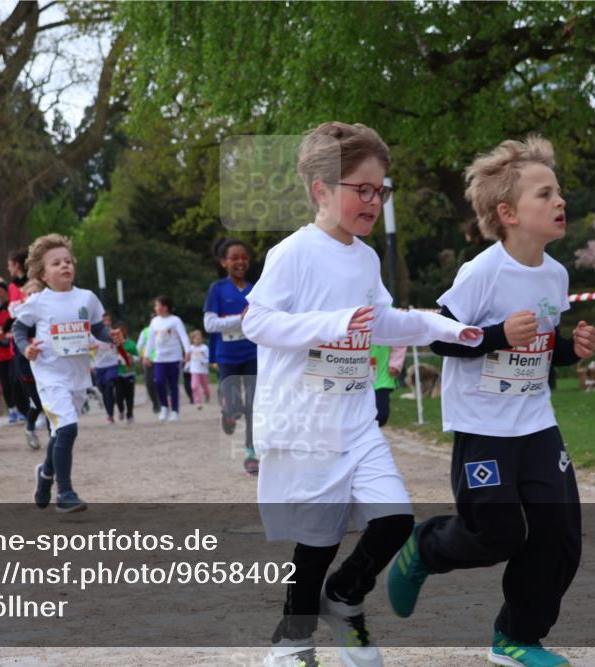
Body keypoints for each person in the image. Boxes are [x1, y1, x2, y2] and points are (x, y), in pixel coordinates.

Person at [241, 121, 482, 667]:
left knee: (395, 519)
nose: (374, 201)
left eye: (381, 190)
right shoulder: (294, 252)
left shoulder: (367, 258)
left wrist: (446, 329)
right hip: (305, 423)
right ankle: (293, 642)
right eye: (362, 189)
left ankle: (345, 599)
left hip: (355, 421)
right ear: (321, 189)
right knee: (318, 541)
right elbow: (256, 321)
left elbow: (382, 322)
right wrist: (332, 322)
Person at [385, 136, 595, 667]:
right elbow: (436, 338)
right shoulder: (482, 272)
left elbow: (540, 351)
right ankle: (425, 548)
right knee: (496, 533)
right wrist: (498, 333)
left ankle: (516, 637)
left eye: (559, 192)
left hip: (535, 422)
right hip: (483, 425)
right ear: (507, 213)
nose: (560, 202)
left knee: (560, 535)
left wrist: (571, 350)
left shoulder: (555, 273)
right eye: (545, 194)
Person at [13, 234, 117, 513]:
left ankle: (45, 475)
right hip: (49, 374)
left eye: (68, 261)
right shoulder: (38, 302)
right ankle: (65, 493)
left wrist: (112, 335)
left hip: (78, 375)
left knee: (61, 432)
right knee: (68, 427)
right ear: (43, 273)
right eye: (56, 263)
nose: (64, 266)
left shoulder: (87, 297)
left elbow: (97, 328)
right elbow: (19, 330)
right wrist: (26, 349)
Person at [203, 237, 259, 474]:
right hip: (227, 357)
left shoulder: (255, 289)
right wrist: (240, 319)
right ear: (223, 262)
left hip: (253, 353)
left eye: (244, 257)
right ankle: (228, 412)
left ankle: (251, 453)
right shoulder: (218, 289)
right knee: (237, 406)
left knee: (253, 406)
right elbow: (209, 324)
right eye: (234, 258)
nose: (240, 262)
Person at [0, 278, 26, 424]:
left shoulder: (11, 309)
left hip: (11, 351)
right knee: (5, 383)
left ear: (6, 293)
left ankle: (21, 409)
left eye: (0, 292)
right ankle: (12, 410)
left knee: (15, 381)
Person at [145, 295, 191, 422]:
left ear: (164, 307)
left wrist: (188, 351)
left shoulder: (175, 320)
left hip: (174, 357)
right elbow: (151, 339)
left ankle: (175, 410)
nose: (155, 308)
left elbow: (183, 336)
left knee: (173, 385)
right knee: (158, 382)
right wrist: (147, 355)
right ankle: (164, 406)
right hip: (160, 358)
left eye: (157, 305)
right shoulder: (154, 321)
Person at [15, 279, 48, 449]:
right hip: (27, 367)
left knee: (49, 401)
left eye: (37, 293)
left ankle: (54, 436)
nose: (34, 297)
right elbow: (17, 338)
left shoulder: (47, 315)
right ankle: (30, 428)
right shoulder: (22, 319)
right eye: (30, 294)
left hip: (47, 365)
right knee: (38, 402)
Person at [93, 313, 121, 424]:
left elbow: (121, 347)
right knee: (104, 392)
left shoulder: (113, 333)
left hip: (112, 364)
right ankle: (109, 414)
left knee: (109, 386)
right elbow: (87, 347)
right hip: (99, 366)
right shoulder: (93, 335)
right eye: (104, 321)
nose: (107, 323)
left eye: (108, 320)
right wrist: (91, 348)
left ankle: (110, 415)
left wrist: (121, 357)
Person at [370, 344, 405, 427]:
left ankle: (369, 432)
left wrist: (396, 364)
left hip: (382, 374)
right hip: (354, 372)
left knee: (382, 415)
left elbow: (399, 341)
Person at [113, 322, 138, 424]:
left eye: (121, 332)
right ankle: (121, 410)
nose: (120, 335)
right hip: (117, 374)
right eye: (117, 333)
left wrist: (132, 358)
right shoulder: (113, 346)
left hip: (129, 373)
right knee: (118, 395)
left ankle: (130, 414)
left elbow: (137, 357)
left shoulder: (131, 344)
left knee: (129, 396)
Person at [136, 321, 161, 413]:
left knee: (160, 381)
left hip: (161, 359)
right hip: (148, 361)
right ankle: (155, 402)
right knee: (149, 383)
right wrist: (136, 357)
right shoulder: (145, 332)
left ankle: (162, 401)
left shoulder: (164, 329)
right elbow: (139, 346)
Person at [187, 329, 211, 409]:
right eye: (196, 338)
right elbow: (188, 359)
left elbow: (207, 360)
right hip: (194, 370)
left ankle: (207, 393)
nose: (198, 340)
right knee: (194, 386)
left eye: (200, 338)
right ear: (193, 339)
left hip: (203, 370)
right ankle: (198, 402)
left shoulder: (204, 348)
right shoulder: (190, 348)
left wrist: (201, 357)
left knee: (205, 386)